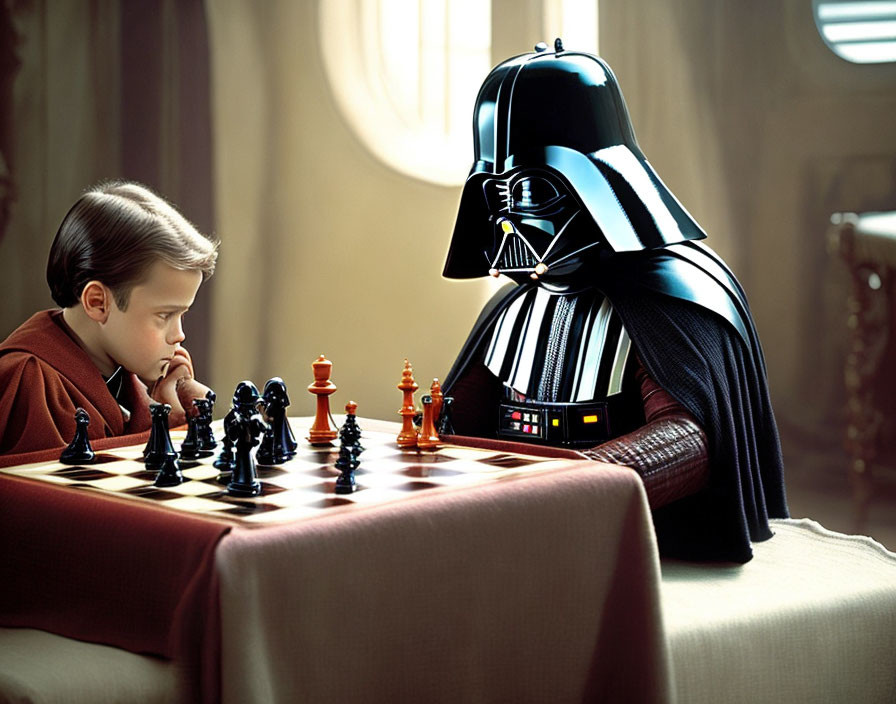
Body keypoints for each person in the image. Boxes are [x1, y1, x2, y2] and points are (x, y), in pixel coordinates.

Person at [441, 41, 788, 562]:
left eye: (534, 191)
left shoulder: (676, 297)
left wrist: (575, 487)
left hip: (634, 545)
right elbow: (458, 420)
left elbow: (688, 441)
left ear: (595, 186)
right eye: (496, 195)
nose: (510, 221)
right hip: (513, 534)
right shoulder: (513, 309)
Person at [0, 180, 218, 456]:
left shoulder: (128, 373)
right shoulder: (29, 381)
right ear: (97, 302)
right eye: (164, 315)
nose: (179, 335)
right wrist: (165, 424)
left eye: (182, 315)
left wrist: (163, 409)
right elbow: (52, 494)